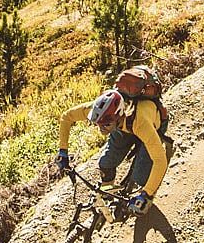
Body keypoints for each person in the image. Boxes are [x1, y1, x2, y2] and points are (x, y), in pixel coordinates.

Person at [55, 73, 168, 216]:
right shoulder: (99, 111)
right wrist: (63, 150)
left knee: (141, 178)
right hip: (122, 128)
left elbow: (160, 160)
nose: (100, 128)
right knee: (106, 163)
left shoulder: (141, 123)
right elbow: (67, 117)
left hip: (152, 125)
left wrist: (147, 194)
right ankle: (109, 195)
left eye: (105, 124)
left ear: (119, 115)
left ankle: (143, 192)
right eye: (98, 123)